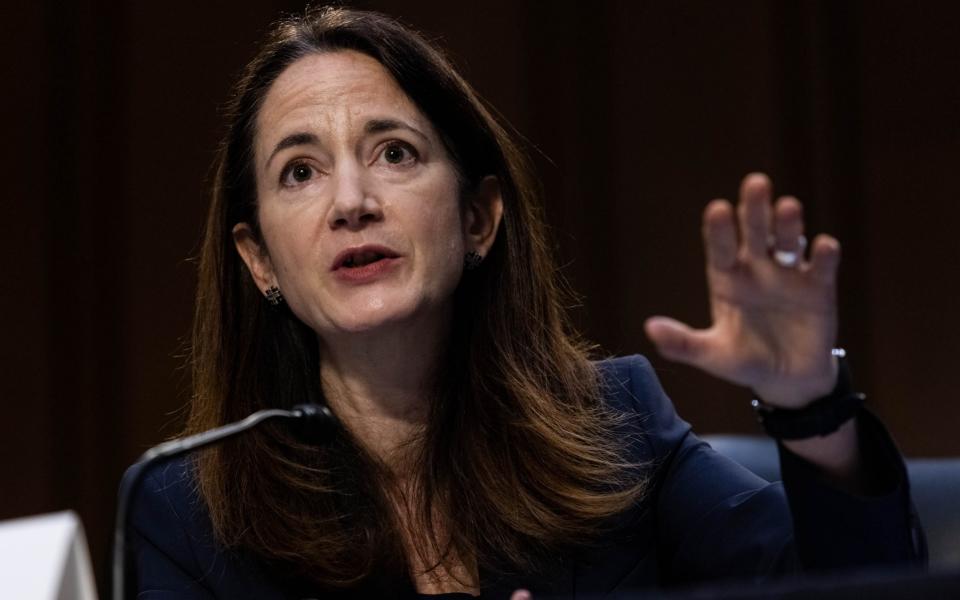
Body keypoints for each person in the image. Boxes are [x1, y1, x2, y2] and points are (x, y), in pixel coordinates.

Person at [125, 6, 924, 599]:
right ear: (259, 259)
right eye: (300, 171)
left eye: (394, 153)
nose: (353, 201)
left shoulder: (614, 429)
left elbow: (853, 588)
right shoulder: (189, 516)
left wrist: (808, 405)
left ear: (478, 219)